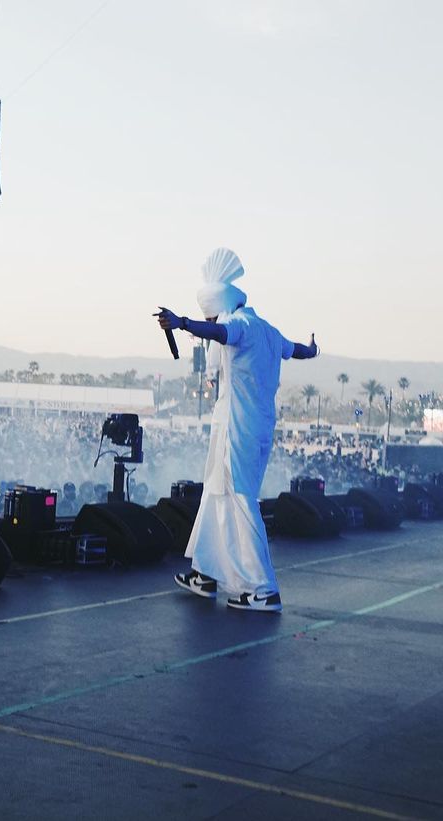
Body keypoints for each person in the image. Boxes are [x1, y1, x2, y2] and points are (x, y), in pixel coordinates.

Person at [157, 247, 318, 613]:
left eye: (211, 313)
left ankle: (264, 589)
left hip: (238, 428)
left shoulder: (242, 327)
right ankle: (206, 573)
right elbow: (297, 351)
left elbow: (218, 332)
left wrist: (182, 323)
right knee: (215, 492)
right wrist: (313, 349)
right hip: (246, 426)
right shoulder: (269, 331)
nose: (209, 320)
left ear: (222, 308)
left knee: (241, 499)